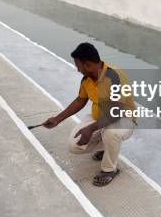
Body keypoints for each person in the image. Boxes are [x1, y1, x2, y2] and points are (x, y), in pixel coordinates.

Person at [43, 43, 136, 186]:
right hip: (98, 118)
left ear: (87, 65)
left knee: (111, 134)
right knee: (74, 145)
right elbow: (80, 100)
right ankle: (107, 147)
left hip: (124, 118)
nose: (77, 69)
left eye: (78, 65)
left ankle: (109, 170)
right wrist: (57, 119)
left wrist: (91, 129)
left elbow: (116, 112)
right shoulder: (86, 80)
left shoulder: (114, 76)